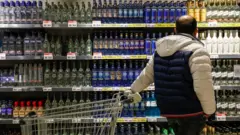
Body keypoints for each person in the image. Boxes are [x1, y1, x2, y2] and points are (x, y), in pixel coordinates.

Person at [127, 15, 216, 135]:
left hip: (168, 108)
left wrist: (132, 90)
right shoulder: (197, 51)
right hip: (190, 110)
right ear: (196, 31)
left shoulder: (160, 50)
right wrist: (209, 110)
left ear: (175, 30)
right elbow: (203, 85)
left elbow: (146, 75)